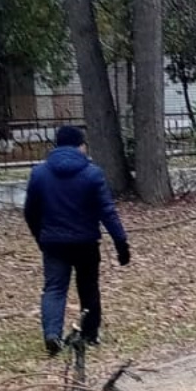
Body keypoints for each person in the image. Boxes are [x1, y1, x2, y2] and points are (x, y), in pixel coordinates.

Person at [24, 126, 130, 355]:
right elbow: (107, 212)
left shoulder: (39, 174)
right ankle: (90, 334)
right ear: (80, 146)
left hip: (53, 242)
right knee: (88, 287)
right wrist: (121, 243)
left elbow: (30, 211)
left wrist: (39, 236)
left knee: (54, 288)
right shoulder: (92, 173)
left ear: (56, 146)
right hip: (86, 242)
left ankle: (52, 334)